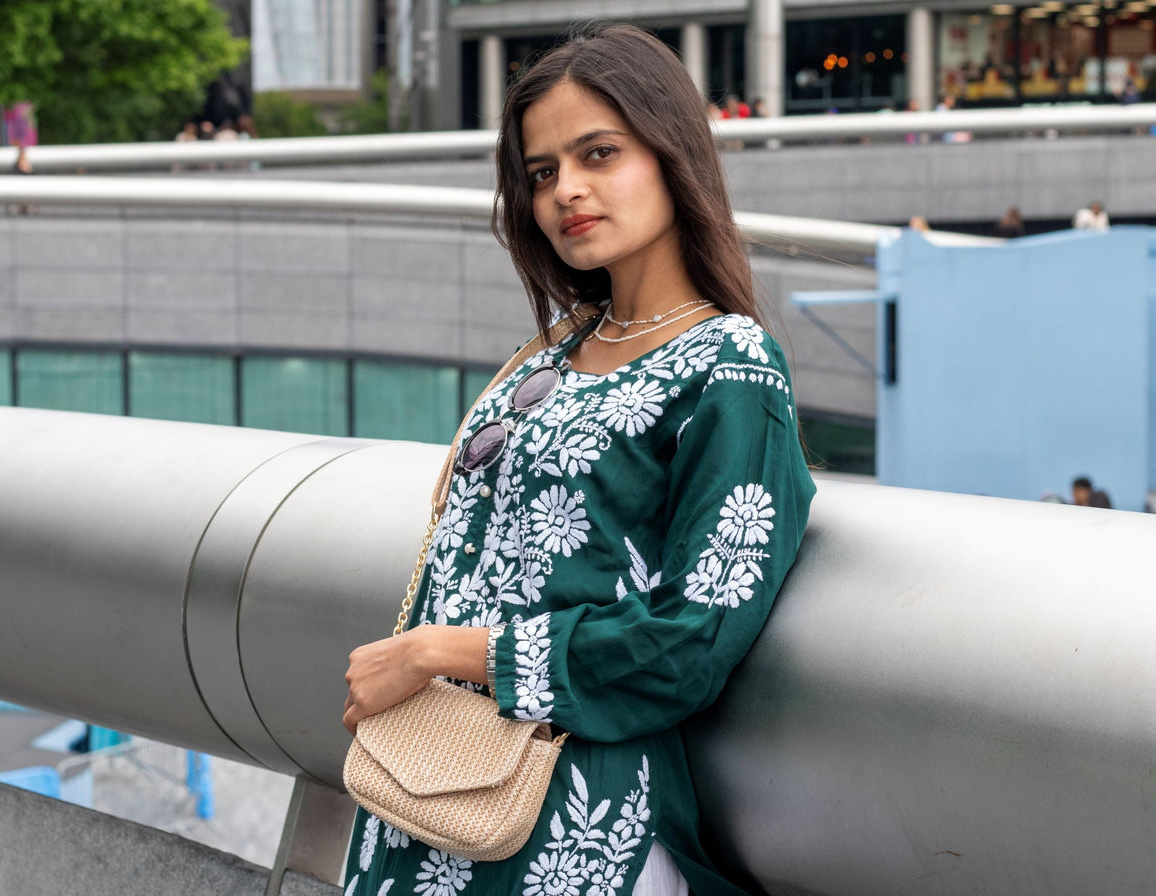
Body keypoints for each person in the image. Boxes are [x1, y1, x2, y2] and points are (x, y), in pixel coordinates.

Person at [341, 22, 816, 896]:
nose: (567, 191)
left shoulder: (730, 368)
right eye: (543, 172)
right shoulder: (554, 349)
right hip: (420, 796)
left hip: (570, 828)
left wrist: (436, 652)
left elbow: (692, 638)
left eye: (600, 153)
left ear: (671, 153)